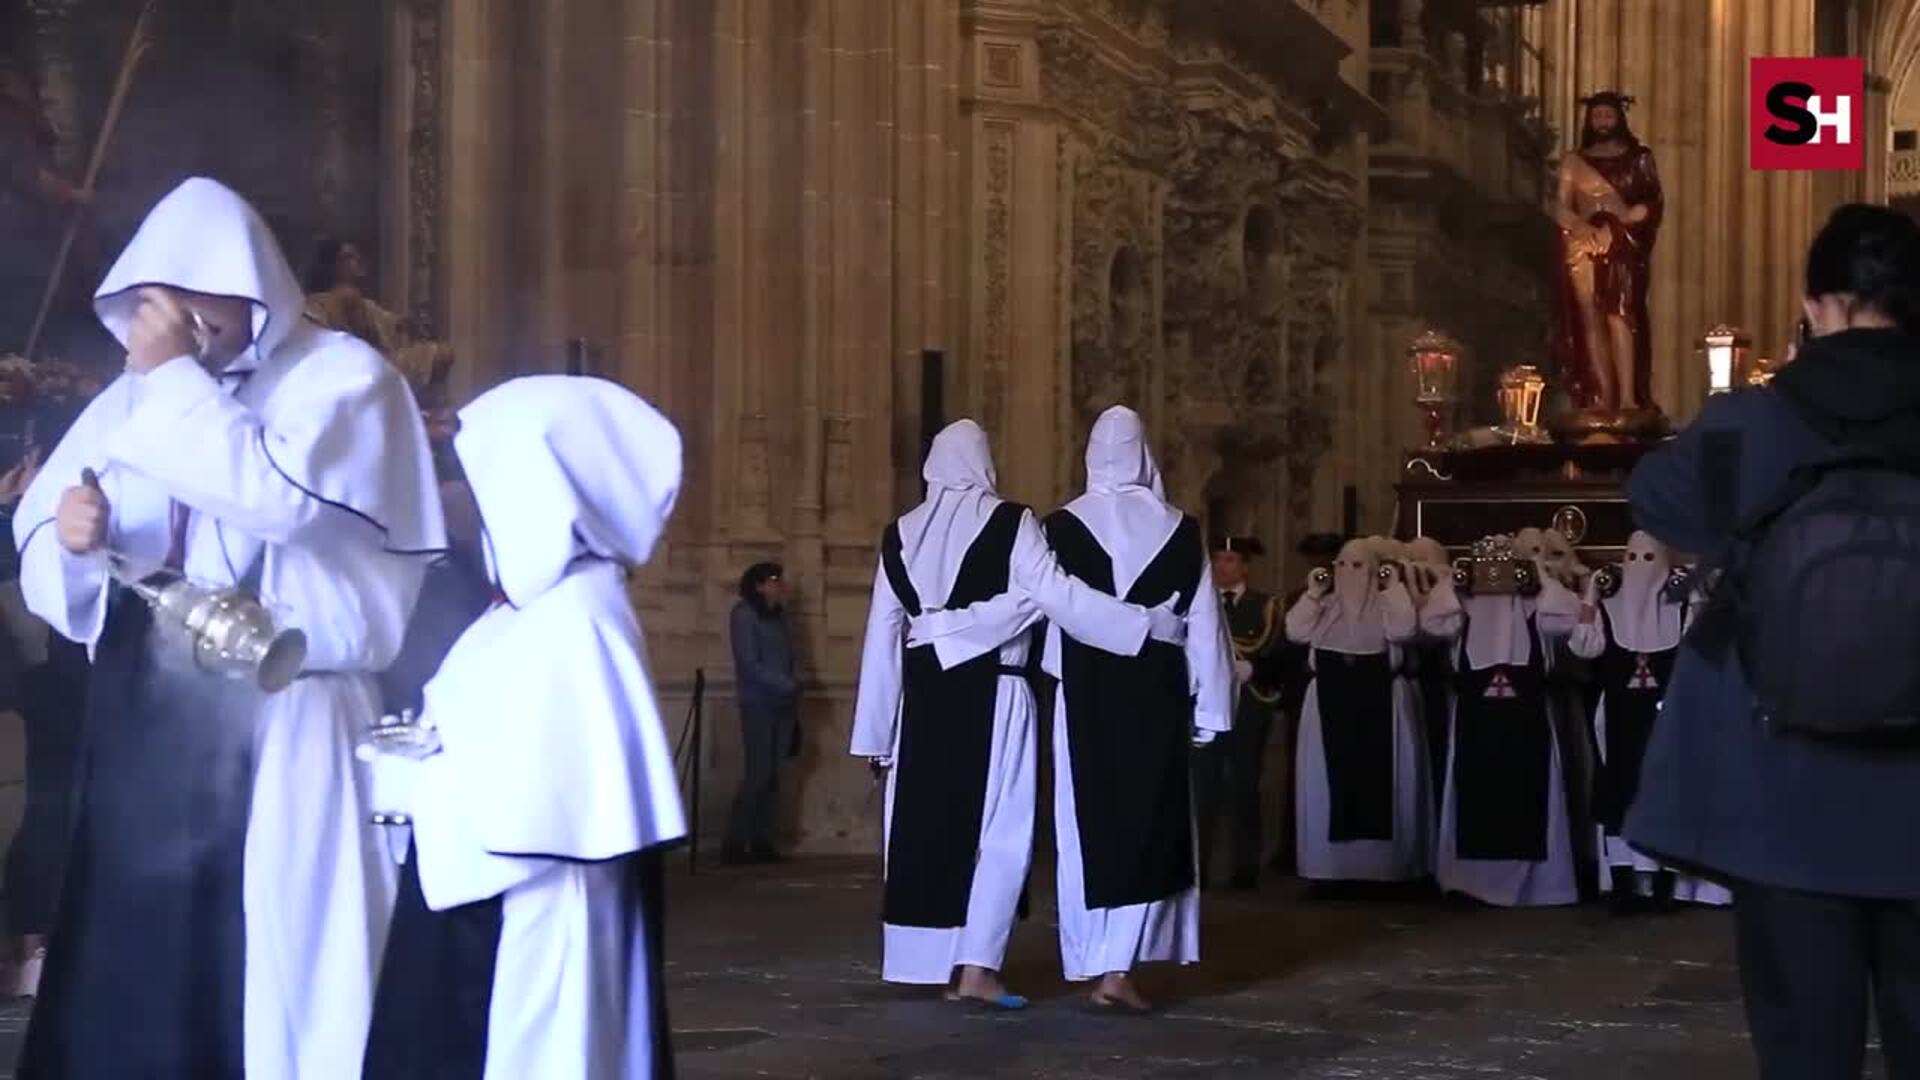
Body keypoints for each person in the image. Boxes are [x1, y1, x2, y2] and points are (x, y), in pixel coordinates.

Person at [11, 177, 444, 1078]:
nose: (170, 325)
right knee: (137, 952)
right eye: (150, 308)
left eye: (187, 303)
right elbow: (46, 531)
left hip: (285, 710)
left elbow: (278, 502)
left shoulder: (345, 381)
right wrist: (74, 539)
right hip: (151, 720)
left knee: (270, 962)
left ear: (250, 289)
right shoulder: (142, 397)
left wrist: (168, 380)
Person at [1626, 203, 1920, 1080]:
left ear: (1814, 303)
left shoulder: (1752, 422)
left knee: (1805, 1048)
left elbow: (1659, 501)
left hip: (1781, 783)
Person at [362, 374, 684, 1080]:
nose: (472, 517)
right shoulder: (530, 609)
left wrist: (417, 779)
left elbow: (533, 818)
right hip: (491, 905)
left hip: (537, 926)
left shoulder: (577, 623)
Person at [850, 419, 1185, 1009]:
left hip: (921, 698)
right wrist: (1139, 627)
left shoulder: (898, 535)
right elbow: (1047, 594)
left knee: (926, 826)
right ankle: (977, 967)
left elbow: (884, 635)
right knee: (1002, 834)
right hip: (998, 690)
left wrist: (876, 731)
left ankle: (932, 963)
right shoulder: (1013, 522)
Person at [1041, 405, 1234, 1012]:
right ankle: (1119, 966)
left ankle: (1096, 957)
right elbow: (1205, 623)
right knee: (1149, 819)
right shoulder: (1181, 529)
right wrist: (1214, 707)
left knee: (1088, 819)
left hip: (1086, 686)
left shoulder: (1058, 527)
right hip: (1156, 686)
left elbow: (1045, 611)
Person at [1566, 531, 1729, 913]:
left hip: (1666, 720)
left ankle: (1663, 884)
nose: (1641, 568)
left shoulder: (1679, 610)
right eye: (1633, 559)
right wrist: (1591, 594)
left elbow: (1704, 642)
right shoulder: (1610, 608)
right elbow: (1582, 645)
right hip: (1618, 718)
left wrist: (1689, 591)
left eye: (1649, 559)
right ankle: (1624, 882)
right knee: (1618, 794)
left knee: (1665, 792)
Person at [1419, 536, 1584, 908]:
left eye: (1505, 568)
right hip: (1476, 720)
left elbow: (1572, 616)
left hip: (1526, 718)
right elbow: (1432, 623)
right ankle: (1469, 882)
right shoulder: (1466, 603)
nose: (1497, 578)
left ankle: (1536, 885)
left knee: (1531, 791)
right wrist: (1454, 584)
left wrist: (1540, 579)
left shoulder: (1534, 603)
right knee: (1473, 790)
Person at [1285, 538, 1431, 886]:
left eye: (1358, 566)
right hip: (1328, 704)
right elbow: (1295, 630)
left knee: (1385, 779)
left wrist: (1392, 587)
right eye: (1342, 566)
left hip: (1381, 699)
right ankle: (1329, 870)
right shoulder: (1325, 606)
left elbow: (1404, 629)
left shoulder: (1386, 605)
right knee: (1327, 781)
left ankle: (1386, 869)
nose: (1349, 574)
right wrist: (1313, 595)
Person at [1554, 90, 1664, 414]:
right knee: (1590, 319)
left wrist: (1616, 226)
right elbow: (1560, 207)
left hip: (1620, 243)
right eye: (1597, 116)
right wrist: (1582, 228)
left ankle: (1629, 398)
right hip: (1582, 244)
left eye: (1608, 115)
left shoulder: (1639, 157)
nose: (1602, 121)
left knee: (1620, 315)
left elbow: (1651, 202)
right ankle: (1601, 395)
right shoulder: (1573, 162)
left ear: (1619, 119)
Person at [1192, 534, 1285, 891]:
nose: (1222, 567)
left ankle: (1245, 868)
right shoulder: (1202, 604)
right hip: (1207, 703)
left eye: (1230, 560)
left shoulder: (1266, 606)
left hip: (1249, 702)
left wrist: (1254, 668)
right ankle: (1198, 866)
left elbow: (1276, 650)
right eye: (1217, 560)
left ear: (1245, 566)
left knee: (1244, 785)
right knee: (1204, 787)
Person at [726, 560, 796, 863]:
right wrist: (785, 684)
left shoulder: (778, 617)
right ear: (757, 585)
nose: (780, 584)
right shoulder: (743, 615)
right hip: (758, 703)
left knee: (774, 775)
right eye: (773, 579)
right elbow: (749, 662)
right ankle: (735, 842)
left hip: (782, 703)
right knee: (758, 773)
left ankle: (761, 839)